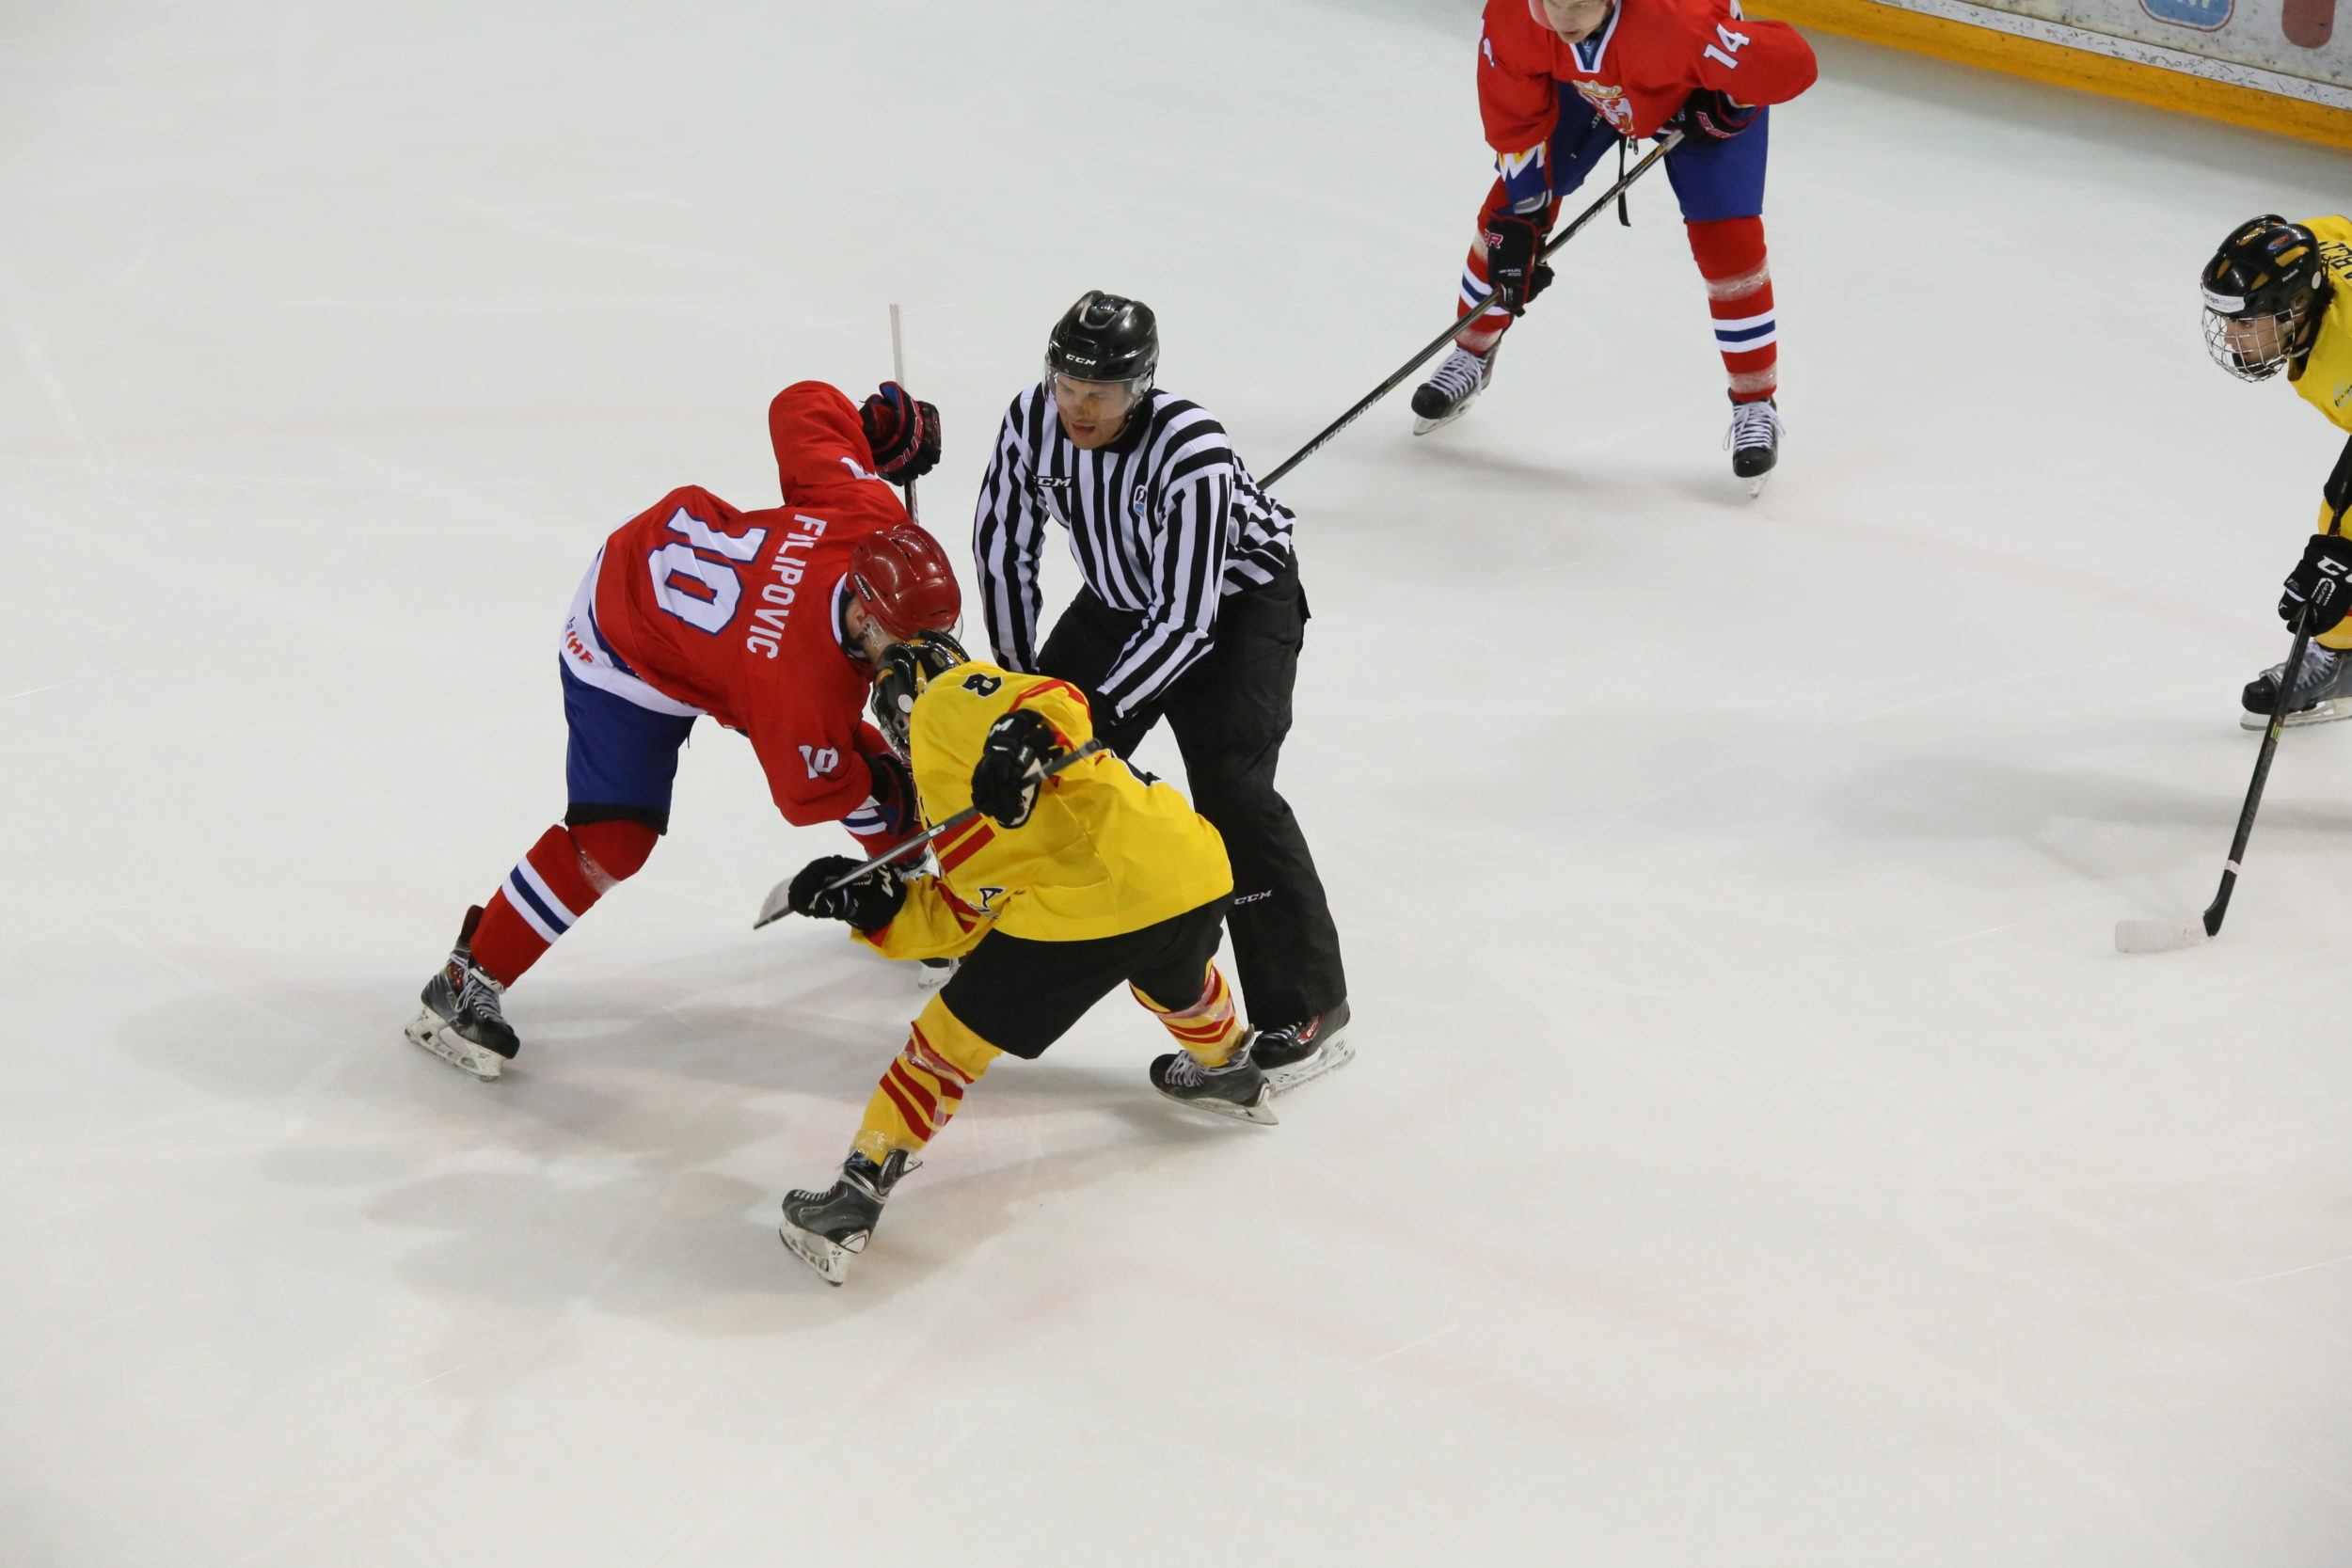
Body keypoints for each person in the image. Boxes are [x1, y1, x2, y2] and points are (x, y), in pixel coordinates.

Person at [403, 379, 960, 1080]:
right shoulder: (799, 696)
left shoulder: (868, 512)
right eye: (905, 641)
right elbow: (810, 792)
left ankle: (910, 870)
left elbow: (802, 405)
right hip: (624, 642)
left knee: (859, 762)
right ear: (862, 619)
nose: (923, 657)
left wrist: (869, 431)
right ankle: (463, 981)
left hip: (684, 581)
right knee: (615, 840)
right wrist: (901, 796)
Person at [776, 657, 1267, 1285]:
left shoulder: (941, 701)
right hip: (1190, 868)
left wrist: (1020, 738)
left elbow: (1055, 697)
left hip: (1090, 906)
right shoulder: (956, 769)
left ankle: (854, 1197)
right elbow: (967, 910)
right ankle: (1230, 1067)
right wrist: (870, 904)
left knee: (946, 1045)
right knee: (1173, 974)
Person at [970, 291, 1353, 1090]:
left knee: (1232, 793)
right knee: (1027, 765)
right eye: (1065, 388)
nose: (1077, 408)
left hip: (1237, 610)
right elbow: (1004, 547)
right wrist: (1022, 696)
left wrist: (1085, 718)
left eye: (1098, 394)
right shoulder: (1033, 420)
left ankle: (1306, 1008)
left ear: (1140, 385)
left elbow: (1186, 623)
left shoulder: (1193, 454)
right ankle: (977, 917)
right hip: (1120, 598)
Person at [1410, 0, 1817, 490]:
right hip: (1586, 91)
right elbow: (1515, 116)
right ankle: (1472, 355)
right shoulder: (1515, 14)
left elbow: (1792, 63)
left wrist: (1733, 105)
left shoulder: (1679, 23)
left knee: (1729, 244)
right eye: (1552, 2)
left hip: (1692, 85)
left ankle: (1755, 404)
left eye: (1578, 3)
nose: (1563, 19)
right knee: (1506, 221)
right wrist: (1523, 221)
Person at [2201, 215, 2352, 727]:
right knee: (2339, 516)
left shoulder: (2345, 361)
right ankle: (2343, 659)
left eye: (2245, 323)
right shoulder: (2312, 248)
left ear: (2293, 310)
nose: (2231, 335)